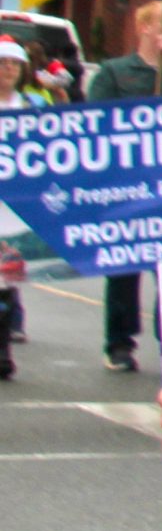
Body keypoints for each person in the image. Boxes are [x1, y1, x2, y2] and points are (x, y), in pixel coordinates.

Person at [86, 0, 162, 372]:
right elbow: (95, 123)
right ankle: (119, 342)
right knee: (123, 269)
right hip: (126, 188)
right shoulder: (114, 72)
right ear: (144, 27)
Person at [0, 40, 43, 377]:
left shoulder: (33, 103)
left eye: (14, 64)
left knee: (8, 270)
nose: (8, 69)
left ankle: (6, 338)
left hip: (19, 199)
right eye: (2, 63)